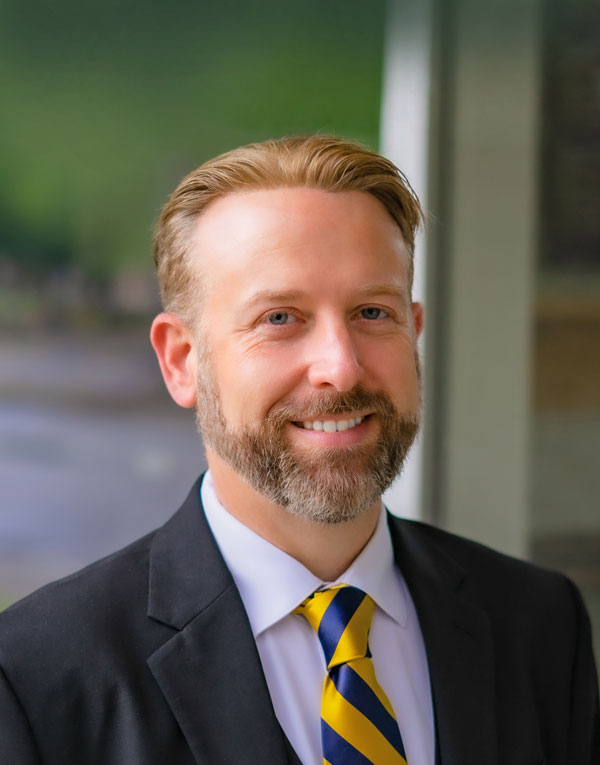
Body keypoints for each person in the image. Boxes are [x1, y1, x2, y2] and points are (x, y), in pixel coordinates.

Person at [0, 136, 598, 765]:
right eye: (280, 318)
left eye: (372, 311)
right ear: (183, 361)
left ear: (414, 333)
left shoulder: (537, 624)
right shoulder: (38, 675)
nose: (340, 367)